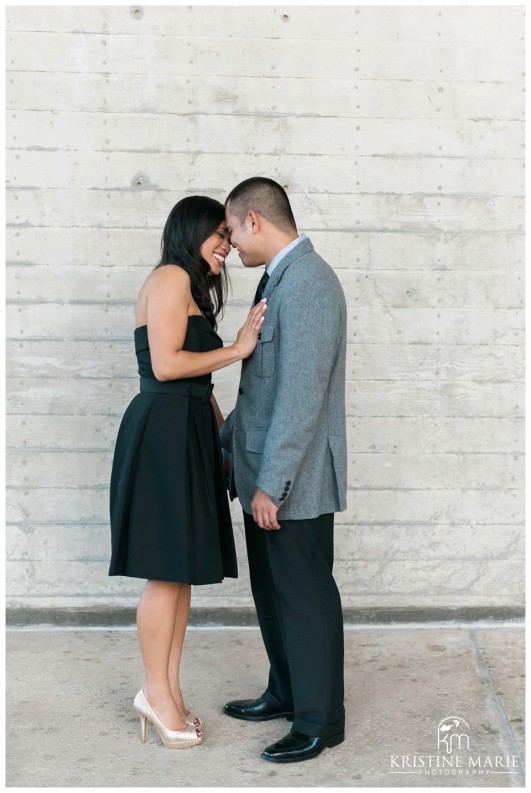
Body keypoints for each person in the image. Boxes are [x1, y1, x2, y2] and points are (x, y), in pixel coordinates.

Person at [109, 195, 267, 750]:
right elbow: (167, 365)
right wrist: (238, 348)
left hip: (187, 429)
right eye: (218, 233)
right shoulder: (173, 276)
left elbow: (195, 384)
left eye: (230, 234)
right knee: (164, 572)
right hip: (162, 432)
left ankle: (168, 693)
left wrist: (221, 442)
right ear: (189, 232)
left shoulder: (186, 282)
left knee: (179, 573)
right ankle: (154, 692)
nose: (227, 243)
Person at [220, 177, 347, 763]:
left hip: (289, 483)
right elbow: (260, 388)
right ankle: (287, 691)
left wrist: (274, 482)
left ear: (254, 220)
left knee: (305, 595)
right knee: (274, 595)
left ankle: (321, 721)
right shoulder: (278, 279)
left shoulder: (311, 283)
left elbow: (300, 396)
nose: (231, 245)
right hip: (260, 475)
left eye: (232, 229)